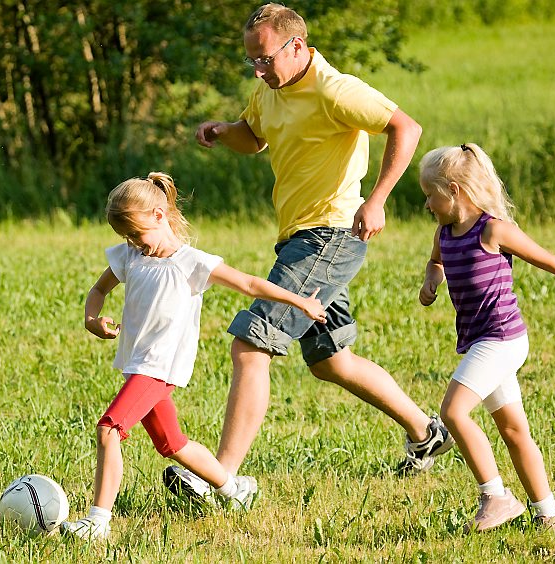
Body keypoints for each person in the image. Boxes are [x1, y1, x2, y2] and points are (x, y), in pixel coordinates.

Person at [164, 3, 452, 502]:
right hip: (299, 237)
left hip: (330, 235)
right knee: (331, 361)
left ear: (296, 46)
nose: (258, 68)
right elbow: (254, 137)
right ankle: (427, 433)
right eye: (251, 60)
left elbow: (407, 128)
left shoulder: (335, 89)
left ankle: (222, 478)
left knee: (251, 344)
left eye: (265, 58)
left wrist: (377, 198)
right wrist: (223, 132)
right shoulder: (269, 88)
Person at [61, 172, 327, 541]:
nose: (134, 243)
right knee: (172, 443)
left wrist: (299, 301)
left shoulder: (192, 263)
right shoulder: (131, 256)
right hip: (136, 365)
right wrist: (92, 318)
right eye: (127, 238)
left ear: (159, 215)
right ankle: (235, 490)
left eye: (137, 234)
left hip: (158, 368)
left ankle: (97, 522)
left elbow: (249, 283)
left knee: (109, 429)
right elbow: (98, 289)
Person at [418, 143, 555, 532]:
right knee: (512, 430)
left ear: (455, 189)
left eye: (430, 195)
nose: (427, 204)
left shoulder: (493, 229)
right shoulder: (444, 233)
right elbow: (437, 261)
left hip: (503, 339)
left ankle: (496, 496)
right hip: (480, 341)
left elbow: (549, 260)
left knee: (453, 412)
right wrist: (431, 280)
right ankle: (550, 513)